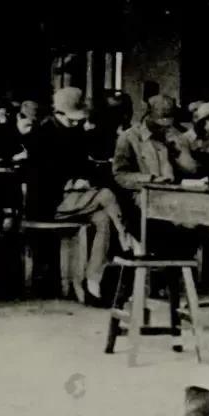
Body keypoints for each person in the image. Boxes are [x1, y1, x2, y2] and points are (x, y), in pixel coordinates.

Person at [25, 87, 131, 300]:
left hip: (72, 199)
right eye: (72, 120)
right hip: (48, 202)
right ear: (58, 113)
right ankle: (127, 239)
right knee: (106, 195)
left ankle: (93, 278)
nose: (76, 124)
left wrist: (83, 179)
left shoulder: (76, 132)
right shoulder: (41, 133)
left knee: (103, 219)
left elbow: (82, 164)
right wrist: (71, 181)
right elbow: (40, 174)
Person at [112, 94, 199, 189]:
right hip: (144, 193)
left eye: (167, 125)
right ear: (148, 115)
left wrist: (178, 153)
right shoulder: (129, 137)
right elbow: (120, 175)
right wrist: (150, 179)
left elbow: (192, 171)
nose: (163, 129)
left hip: (173, 192)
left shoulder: (176, 134)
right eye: (158, 125)